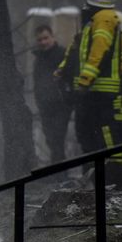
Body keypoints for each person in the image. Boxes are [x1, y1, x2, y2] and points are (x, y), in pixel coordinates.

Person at [57, 0, 122, 187]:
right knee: (87, 135)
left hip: (98, 91)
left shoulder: (104, 20)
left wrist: (86, 80)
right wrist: (64, 74)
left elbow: (97, 54)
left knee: (105, 136)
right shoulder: (95, 22)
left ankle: (119, 179)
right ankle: (96, 178)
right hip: (93, 91)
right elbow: (79, 53)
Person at [32, 24, 72, 165]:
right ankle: (58, 170)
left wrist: (66, 97)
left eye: (46, 38)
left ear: (52, 37)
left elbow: (69, 77)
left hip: (61, 104)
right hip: (45, 104)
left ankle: (60, 171)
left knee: (57, 138)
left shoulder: (62, 54)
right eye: (40, 40)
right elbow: (37, 82)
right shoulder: (39, 59)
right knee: (50, 139)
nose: (43, 42)